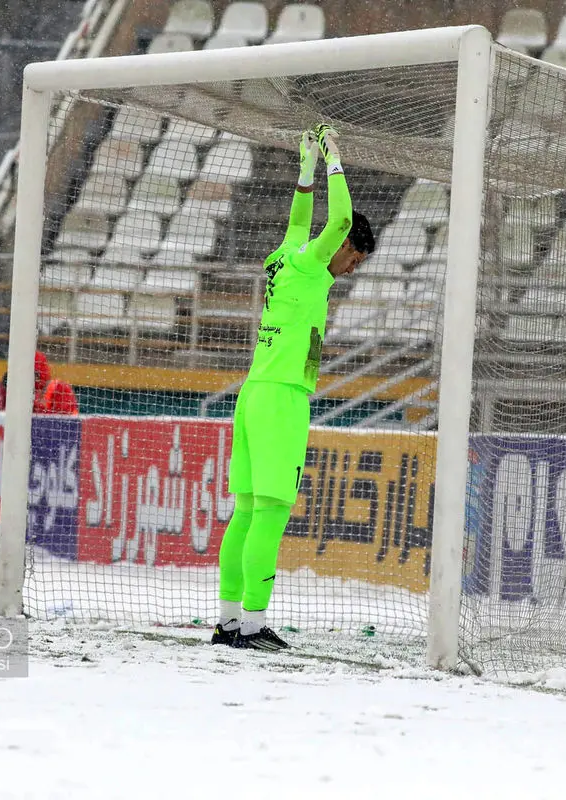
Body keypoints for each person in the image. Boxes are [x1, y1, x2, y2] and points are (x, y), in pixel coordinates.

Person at [214, 124, 376, 650]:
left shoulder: (284, 257)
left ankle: (229, 622)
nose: (350, 268)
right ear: (344, 246)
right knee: (270, 513)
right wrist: (335, 160)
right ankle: (255, 628)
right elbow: (342, 217)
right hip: (282, 397)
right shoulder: (311, 267)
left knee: (243, 512)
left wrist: (304, 170)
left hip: (252, 393)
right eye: (354, 257)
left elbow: (298, 219)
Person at [0, 351, 79, 415]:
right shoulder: (19, 391)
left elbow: (60, 425)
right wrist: (6, 390)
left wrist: (27, 401)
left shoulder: (60, 388)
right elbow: (4, 415)